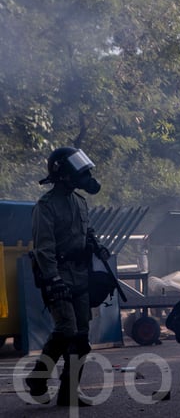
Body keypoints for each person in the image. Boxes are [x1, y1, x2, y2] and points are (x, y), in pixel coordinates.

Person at [25, 147, 105, 407]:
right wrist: (53, 279)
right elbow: (43, 249)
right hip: (57, 276)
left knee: (81, 337)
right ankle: (38, 378)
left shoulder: (80, 202)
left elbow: (85, 231)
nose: (86, 176)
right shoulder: (45, 207)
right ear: (64, 175)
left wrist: (95, 244)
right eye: (80, 172)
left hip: (80, 275)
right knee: (66, 329)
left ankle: (69, 393)